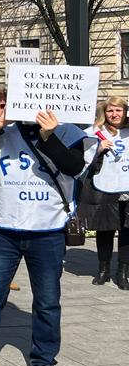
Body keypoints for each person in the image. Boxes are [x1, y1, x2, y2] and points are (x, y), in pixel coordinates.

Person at [0, 93, 85, 366]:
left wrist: (49, 135)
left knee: (47, 301)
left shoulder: (69, 131)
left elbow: (73, 167)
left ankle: (44, 362)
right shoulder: (5, 130)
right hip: (6, 228)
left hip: (47, 230)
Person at [78, 97, 129, 288]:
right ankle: (103, 269)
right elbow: (82, 158)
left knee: (127, 231)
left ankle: (123, 271)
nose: (115, 115)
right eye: (110, 111)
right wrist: (98, 149)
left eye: (119, 110)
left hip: (127, 186)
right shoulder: (95, 132)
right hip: (105, 185)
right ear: (104, 113)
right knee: (105, 229)